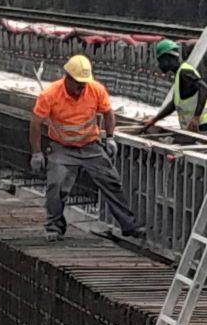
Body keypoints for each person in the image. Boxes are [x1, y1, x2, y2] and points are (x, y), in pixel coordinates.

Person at [31, 55, 144, 239]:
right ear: (67, 77)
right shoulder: (50, 95)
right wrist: (36, 153)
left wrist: (109, 137)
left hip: (90, 145)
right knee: (56, 185)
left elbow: (108, 113)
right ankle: (54, 227)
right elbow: (35, 123)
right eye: (78, 84)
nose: (81, 88)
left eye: (84, 83)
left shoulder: (95, 90)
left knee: (111, 182)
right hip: (62, 147)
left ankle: (128, 225)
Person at [142, 39, 207, 134]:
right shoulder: (179, 75)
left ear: (168, 58)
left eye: (160, 60)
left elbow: (204, 88)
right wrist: (154, 120)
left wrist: (196, 117)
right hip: (193, 127)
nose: (159, 65)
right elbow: (174, 104)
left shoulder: (185, 72)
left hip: (202, 126)